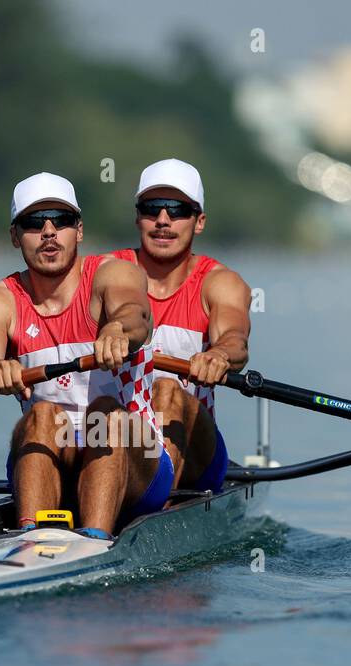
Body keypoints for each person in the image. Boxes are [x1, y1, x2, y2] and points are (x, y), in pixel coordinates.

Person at [0, 172, 172, 537]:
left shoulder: (114, 274)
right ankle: (32, 540)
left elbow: (136, 315)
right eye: (33, 222)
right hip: (52, 456)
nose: (48, 231)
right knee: (42, 414)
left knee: (106, 413)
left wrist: (116, 329)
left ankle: (94, 539)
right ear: (15, 236)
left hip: (137, 463)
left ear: (78, 231)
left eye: (60, 221)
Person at [112, 159, 251, 491]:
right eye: (152, 208)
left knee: (168, 391)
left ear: (199, 221)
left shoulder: (219, 283)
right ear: (138, 217)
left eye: (177, 210)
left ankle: (156, 502)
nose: (163, 220)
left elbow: (235, 339)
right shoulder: (105, 272)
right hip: (115, 443)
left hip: (196, 455)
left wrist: (218, 354)